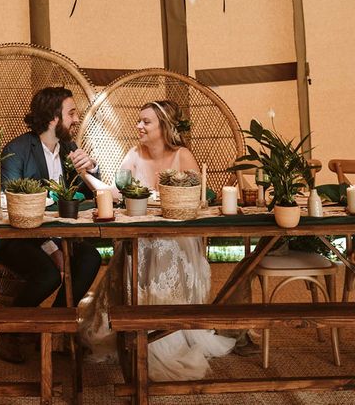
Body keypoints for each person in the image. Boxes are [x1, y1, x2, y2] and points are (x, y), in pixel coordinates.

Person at [79, 100, 237, 381]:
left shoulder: (182, 156)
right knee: (137, 247)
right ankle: (133, 324)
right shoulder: (134, 155)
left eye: (146, 122)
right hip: (140, 236)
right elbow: (114, 194)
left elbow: (195, 202)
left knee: (161, 248)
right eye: (139, 120)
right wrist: (85, 176)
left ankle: (164, 331)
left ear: (164, 126)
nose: (138, 126)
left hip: (176, 239)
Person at [0, 86, 102, 363]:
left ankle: (53, 328)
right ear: (53, 117)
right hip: (17, 238)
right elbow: (14, 207)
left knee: (90, 259)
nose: (76, 119)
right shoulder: (16, 151)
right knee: (48, 274)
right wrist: (51, 249)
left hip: (62, 236)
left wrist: (92, 169)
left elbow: (87, 198)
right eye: (71, 113)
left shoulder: (70, 149)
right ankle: (7, 331)